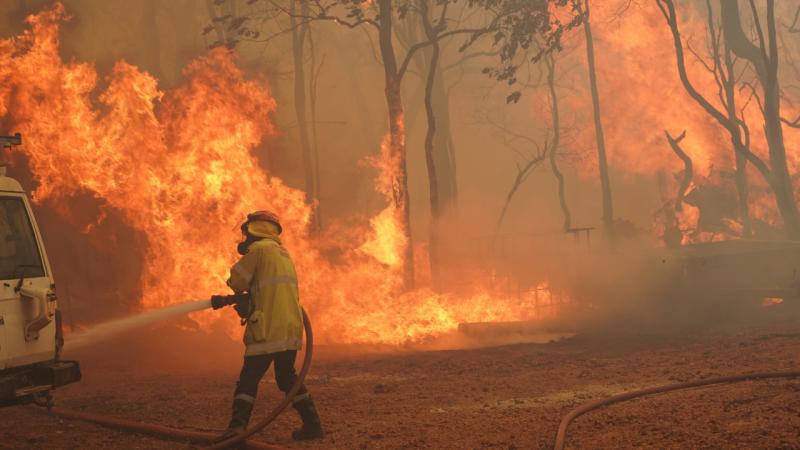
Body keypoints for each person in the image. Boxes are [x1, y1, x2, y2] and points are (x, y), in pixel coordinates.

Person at [217, 210, 323, 441]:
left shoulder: (259, 250)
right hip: (289, 327)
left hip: (267, 329)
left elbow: (237, 281)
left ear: (254, 230)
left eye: (247, 233)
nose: (245, 239)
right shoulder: (283, 253)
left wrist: (242, 269)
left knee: (249, 378)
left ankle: (236, 428)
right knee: (286, 377)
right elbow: (270, 290)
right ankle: (313, 425)